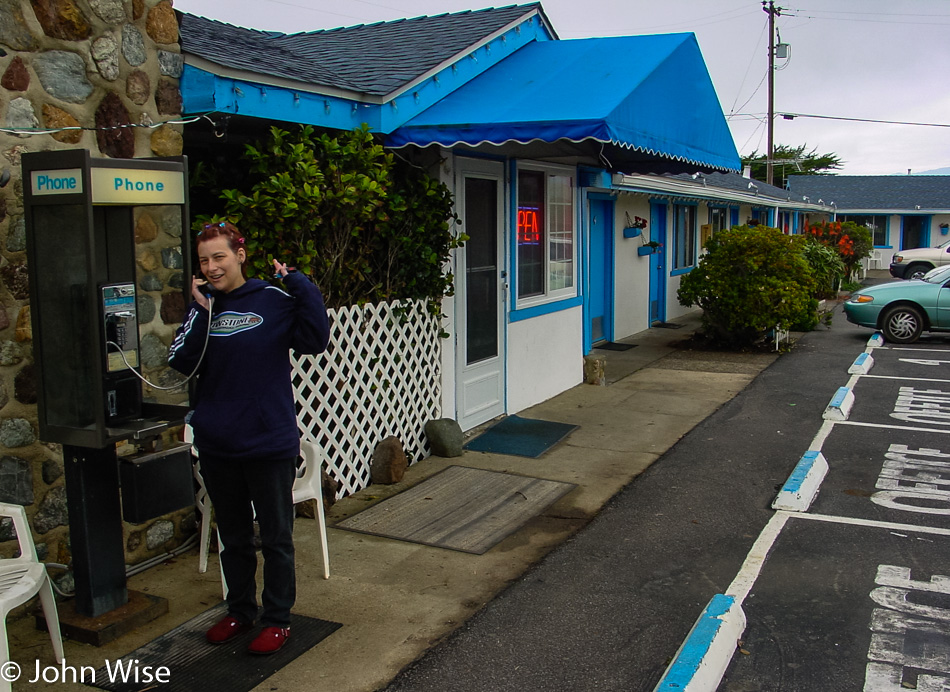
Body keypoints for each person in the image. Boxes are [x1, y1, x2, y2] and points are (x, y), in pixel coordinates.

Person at [169, 221, 330, 654]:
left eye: (219, 257)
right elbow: (181, 362)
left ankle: (277, 619)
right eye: (204, 260)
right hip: (219, 443)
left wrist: (297, 281)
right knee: (234, 537)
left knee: (276, 538)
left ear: (240, 254)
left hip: (268, 442)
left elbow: (316, 339)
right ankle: (240, 610)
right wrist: (201, 310)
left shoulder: (273, 300)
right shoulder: (205, 305)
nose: (212, 266)